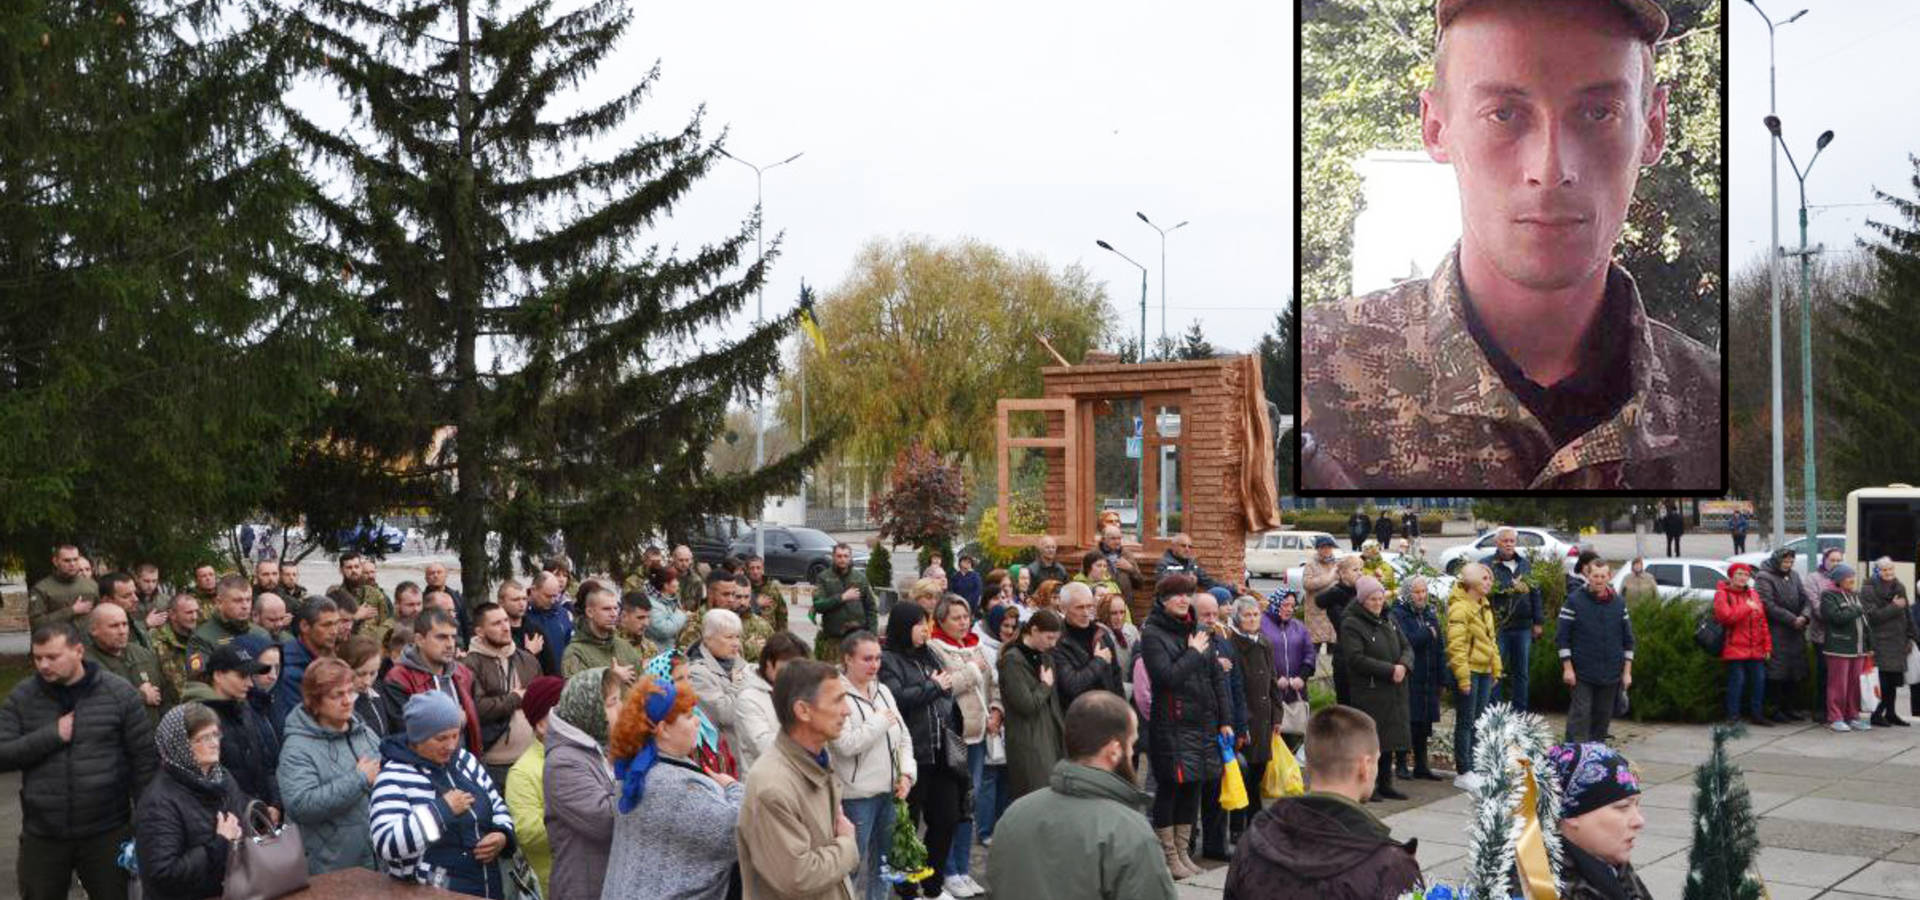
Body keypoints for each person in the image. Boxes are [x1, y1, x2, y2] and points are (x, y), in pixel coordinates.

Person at [1300, 0, 1715, 491]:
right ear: (1436, 127)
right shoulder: (1313, 373)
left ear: (1654, 127)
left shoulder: (1715, 404)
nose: (1551, 168)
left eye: (1599, 112)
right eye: (1503, 113)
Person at [0, 622, 157, 900]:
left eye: (52, 657)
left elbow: (144, 761)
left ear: (78, 651)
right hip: (44, 833)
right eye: (37, 658)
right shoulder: (23, 697)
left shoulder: (118, 693)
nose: (44, 665)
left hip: (107, 830)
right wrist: (52, 735)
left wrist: (144, 821)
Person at [986, 691, 1177, 900]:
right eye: (1131, 744)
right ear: (1114, 750)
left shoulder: (1014, 815)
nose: (1132, 754)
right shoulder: (1129, 832)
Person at [1223, 705, 1423, 898]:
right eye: (1377, 760)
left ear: (1308, 763)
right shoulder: (1389, 865)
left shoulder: (1255, 840)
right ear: (1365, 765)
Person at [602, 676, 746, 900]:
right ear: (663, 729)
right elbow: (739, 831)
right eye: (689, 717)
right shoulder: (676, 787)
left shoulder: (633, 771)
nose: (697, 722)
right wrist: (733, 788)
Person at [736, 659, 862, 900]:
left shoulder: (818, 761)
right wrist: (847, 844)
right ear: (803, 710)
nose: (847, 710)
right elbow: (797, 876)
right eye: (837, 700)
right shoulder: (772, 786)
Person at [372, 692, 517, 897]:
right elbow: (387, 844)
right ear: (417, 737)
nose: (451, 745)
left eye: (455, 735)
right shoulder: (394, 776)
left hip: (487, 887)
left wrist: (502, 835)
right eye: (441, 738)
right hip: (429, 892)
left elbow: (498, 806)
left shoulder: (466, 761)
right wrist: (441, 811)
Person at [1139, 573, 1229, 880]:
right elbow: (1166, 678)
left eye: (1186, 593)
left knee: (1194, 787)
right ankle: (1168, 857)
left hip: (1201, 724)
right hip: (1172, 725)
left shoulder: (1199, 630)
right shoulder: (1152, 633)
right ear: (1163, 600)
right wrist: (1193, 652)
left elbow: (1215, 677)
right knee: (1171, 789)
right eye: (1175, 594)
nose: (1182, 599)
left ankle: (1182, 853)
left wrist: (1224, 720)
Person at [880, 603, 970, 900]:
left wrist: (939, 688)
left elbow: (947, 687)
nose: (925, 629)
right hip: (913, 756)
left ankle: (932, 885)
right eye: (919, 624)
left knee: (946, 820)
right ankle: (906, 888)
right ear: (903, 626)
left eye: (926, 622)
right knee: (906, 826)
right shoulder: (889, 660)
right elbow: (896, 698)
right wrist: (932, 687)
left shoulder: (930, 653)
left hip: (942, 753)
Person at [133, 702, 253, 900]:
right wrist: (221, 843)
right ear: (180, 743)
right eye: (204, 737)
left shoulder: (223, 778)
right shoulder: (159, 802)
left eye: (216, 734)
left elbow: (238, 827)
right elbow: (163, 874)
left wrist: (241, 835)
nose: (215, 743)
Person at [276, 657, 382, 874]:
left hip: (376, 859)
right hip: (331, 867)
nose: (348, 701)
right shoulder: (297, 748)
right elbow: (300, 805)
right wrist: (359, 779)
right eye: (337, 695)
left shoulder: (364, 732)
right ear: (314, 702)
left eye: (350, 692)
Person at [833, 631, 913, 900]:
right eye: (867, 658)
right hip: (857, 797)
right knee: (850, 868)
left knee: (885, 865)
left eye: (878, 658)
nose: (875, 665)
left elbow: (903, 737)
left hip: (890, 792)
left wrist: (906, 774)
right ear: (848, 659)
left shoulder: (884, 691)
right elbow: (844, 745)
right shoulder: (836, 694)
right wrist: (879, 722)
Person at [926, 598, 997, 895]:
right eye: (955, 617)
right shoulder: (935, 649)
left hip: (981, 735)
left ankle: (964, 869)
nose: (963, 622)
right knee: (953, 806)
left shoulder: (975, 644)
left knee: (971, 803)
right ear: (941, 621)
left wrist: (996, 710)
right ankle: (949, 870)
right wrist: (972, 669)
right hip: (955, 739)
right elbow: (946, 685)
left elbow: (992, 682)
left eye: (966, 616)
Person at [545, 668, 624, 900]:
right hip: (584, 888)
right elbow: (606, 821)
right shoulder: (563, 763)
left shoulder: (600, 747)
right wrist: (642, 779)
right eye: (612, 703)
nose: (621, 709)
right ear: (591, 710)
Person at [181, 644, 283, 817]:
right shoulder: (197, 719)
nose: (250, 683)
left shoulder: (244, 709)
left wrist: (275, 803)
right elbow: (206, 781)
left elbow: (266, 764)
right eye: (242, 676)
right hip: (227, 822)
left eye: (250, 676)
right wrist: (254, 809)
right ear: (219, 675)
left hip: (260, 817)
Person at [1545, 741, 1652, 898]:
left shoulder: (1611, 867)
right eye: (1623, 807)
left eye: (1637, 805)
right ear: (1571, 814)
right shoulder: (1543, 887)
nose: (1639, 821)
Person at [1339, 576, 1411, 802]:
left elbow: (1407, 646)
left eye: (1380, 598)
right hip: (1370, 689)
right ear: (1362, 600)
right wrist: (1389, 670)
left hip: (1395, 688)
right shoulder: (1351, 623)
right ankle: (1368, 785)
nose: (1378, 603)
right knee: (1372, 741)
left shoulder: (1389, 618)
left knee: (1390, 738)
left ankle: (1386, 783)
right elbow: (1355, 658)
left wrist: (1404, 665)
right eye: (1372, 599)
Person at [378, 609, 485, 756]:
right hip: (423, 768)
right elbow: (404, 733)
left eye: (453, 637)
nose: (450, 644)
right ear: (419, 640)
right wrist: (452, 720)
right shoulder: (399, 679)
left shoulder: (463, 674)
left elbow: (475, 729)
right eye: (441, 637)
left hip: (464, 763)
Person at [1554, 557, 1636, 743]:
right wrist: (1568, 668)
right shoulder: (1573, 601)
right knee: (1580, 716)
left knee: (1602, 718)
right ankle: (1573, 756)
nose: (1599, 580)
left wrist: (1627, 672)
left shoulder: (1619, 603)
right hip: (1581, 672)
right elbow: (1562, 637)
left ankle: (1597, 758)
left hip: (1611, 673)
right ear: (1588, 576)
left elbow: (1628, 640)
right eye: (1595, 575)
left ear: (1609, 576)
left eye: (1602, 576)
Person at [469, 601, 545, 785]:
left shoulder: (527, 660)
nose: (505, 627)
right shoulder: (470, 664)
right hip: (494, 764)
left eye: (505, 621)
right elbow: (477, 709)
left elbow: (544, 704)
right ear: (480, 631)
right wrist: (515, 698)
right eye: (496, 623)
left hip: (532, 758)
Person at [506, 676, 566, 896]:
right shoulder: (523, 772)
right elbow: (528, 833)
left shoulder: (586, 755)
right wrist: (573, 816)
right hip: (554, 884)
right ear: (541, 725)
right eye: (563, 711)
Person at [1446, 562, 1502, 789]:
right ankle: (1464, 769)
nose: (1489, 582)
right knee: (1466, 721)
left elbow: (1491, 641)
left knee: (1479, 721)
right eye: (1485, 578)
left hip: (1484, 671)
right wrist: (1463, 677)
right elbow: (1456, 645)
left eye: (1490, 578)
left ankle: (1476, 766)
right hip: (1469, 670)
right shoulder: (1460, 608)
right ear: (1472, 581)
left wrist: (1495, 668)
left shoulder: (1485, 606)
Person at [1227, 596, 1279, 838]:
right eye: (1247, 615)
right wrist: (1241, 721)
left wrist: (1277, 715)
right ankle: (1239, 827)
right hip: (1246, 721)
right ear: (1238, 618)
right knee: (1243, 774)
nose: (1252, 619)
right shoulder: (1234, 644)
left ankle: (1255, 822)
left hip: (1265, 719)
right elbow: (1234, 688)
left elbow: (1272, 681)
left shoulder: (1265, 643)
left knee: (1258, 773)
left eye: (1256, 614)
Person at [1389, 578, 1447, 780]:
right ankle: (1402, 763)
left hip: (1429, 676)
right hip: (1411, 675)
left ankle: (1422, 765)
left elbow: (1439, 646)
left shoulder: (1429, 613)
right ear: (1407, 594)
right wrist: (1426, 633)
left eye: (1424, 591)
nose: (1421, 596)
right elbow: (1406, 642)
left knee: (1424, 722)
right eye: (1416, 592)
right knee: (1408, 721)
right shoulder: (1398, 614)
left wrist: (1442, 677)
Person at [1482, 528, 1543, 711]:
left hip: (1523, 626)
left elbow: (1535, 592)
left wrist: (1538, 621)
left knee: (1521, 673)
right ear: (1497, 543)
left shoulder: (1525, 564)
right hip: (1498, 626)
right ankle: (1496, 713)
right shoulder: (1487, 565)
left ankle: (1520, 714)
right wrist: (1510, 588)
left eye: (1512, 541)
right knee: (1496, 671)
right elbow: (1481, 591)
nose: (1509, 544)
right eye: (1505, 541)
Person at [1708, 561, 1773, 729]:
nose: (1743, 578)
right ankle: (1733, 716)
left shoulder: (1753, 594)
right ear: (1731, 576)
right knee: (1737, 682)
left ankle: (1757, 714)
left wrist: (1767, 646)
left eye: (1745, 575)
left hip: (1756, 648)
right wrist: (1746, 607)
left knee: (1759, 681)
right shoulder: (1722, 594)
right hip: (1735, 647)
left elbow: (1763, 622)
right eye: (1739, 574)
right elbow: (1726, 617)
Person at [737, 632, 812, 774]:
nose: (794, 674)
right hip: (765, 783)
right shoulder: (749, 699)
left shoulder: (798, 690)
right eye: (787, 668)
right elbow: (763, 746)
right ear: (769, 664)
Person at [87, 604, 168, 727]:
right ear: (94, 630)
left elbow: (165, 696)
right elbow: (96, 705)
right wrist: (140, 696)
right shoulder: (84, 663)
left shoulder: (143, 654)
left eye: (125, 624)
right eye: (114, 626)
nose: (122, 631)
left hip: (153, 735)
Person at [1754, 549, 1811, 723]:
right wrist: (1792, 619)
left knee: (1794, 671)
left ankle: (1789, 707)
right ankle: (1774, 708)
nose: (1788, 565)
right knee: (1777, 672)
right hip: (1777, 631)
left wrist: (1805, 616)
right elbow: (1767, 605)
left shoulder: (1793, 575)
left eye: (1790, 562)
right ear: (1777, 561)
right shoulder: (1764, 577)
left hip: (1795, 632)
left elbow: (1805, 599)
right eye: (1785, 562)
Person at [1053, 581, 1123, 715]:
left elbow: (1116, 678)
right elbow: (1072, 685)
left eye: (1089, 606)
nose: (1086, 613)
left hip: (1108, 713)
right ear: (1063, 608)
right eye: (1079, 607)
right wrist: (1099, 661)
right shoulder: (1058, 642)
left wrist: (1122, 713)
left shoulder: (1101, 634)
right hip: (1078, 718)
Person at [1259, 589, 1316, 754]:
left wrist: (1302, 677)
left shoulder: (1299, 627)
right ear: (1276, 604)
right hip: (1270, 691)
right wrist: (1273, 680)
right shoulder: (1261, 625)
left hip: (1295, 691)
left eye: (1292, 605)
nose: (1290, 609)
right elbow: (1259, 657)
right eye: (1285, 604)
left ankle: (1290, 771)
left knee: (1294, 735)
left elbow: (1310, 653)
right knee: (1273, 737)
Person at [1862, 558, 1916, 728]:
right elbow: (1872, 617)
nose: (1889, 573)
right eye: (1885, 570)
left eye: (1891, 570)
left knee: (1894, 681)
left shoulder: (1899, 587)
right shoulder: (1868, 589)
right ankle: (1877, 714)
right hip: (1880, 641)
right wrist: (1893, 606)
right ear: (1877, 571)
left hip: (1898, 641)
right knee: (1883, 682)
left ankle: (1891, 713)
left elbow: (1907, 613)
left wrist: (1912, 636)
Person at [688, 608, 749, 758]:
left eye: (737, 637)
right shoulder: (697, 672)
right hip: (720, 756)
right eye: (729, 637)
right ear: (708, 638)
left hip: (744, 753)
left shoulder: (739, 664)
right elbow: (725, 714)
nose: (736, 643)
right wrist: (739, 684)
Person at [1819, 564, 1873, 732]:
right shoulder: (1829, 596)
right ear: (1839, 579)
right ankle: (1835, 717)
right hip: (1839, 648)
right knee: (1838, 685)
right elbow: (1836, 617)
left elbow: (1864, 623)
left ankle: (1853, 716)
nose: (1852, 580)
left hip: (1858, 649)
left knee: (1854, 684)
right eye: (1848, 577)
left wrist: (1869, 645)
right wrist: (1856, 609)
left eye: (1852, 576)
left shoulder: (1854, 595)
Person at [813, 543, 878, 662]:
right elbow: (818, 605)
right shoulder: (824, 578)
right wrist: (842, 598)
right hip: (834, 640)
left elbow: (871, 608)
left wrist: (872, 636)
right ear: (833, 557)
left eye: (845, 556)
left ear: (850, 557)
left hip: (857, 638)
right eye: (839, 556)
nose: (842, 559)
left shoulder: (860, 578)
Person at [562, 584, 644, 677]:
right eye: (606, 609)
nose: (613, 614)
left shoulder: (625, 647)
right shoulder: (575, 653)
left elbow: (641, 684)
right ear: (590, 612)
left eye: (616, 608)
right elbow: (574, 689)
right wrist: (610, 678)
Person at [1804, 547, 1846, 724]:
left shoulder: (1844, 578)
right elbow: (1817, 607)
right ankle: (1820, 710)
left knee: (1839, 677)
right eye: (1832, 560)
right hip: (1822, 636)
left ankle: (1836, 710)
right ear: (1825, 560)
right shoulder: (1814, 579)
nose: (1835, 563)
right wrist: (1839, 614)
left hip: (1842, 636)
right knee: (1823, 675)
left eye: (1839, 560)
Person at [1316, 555, 1364, 705]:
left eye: (1361, 569)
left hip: (1364, 653)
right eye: (1355, 569)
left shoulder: (1361, 592)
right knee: (1347, 704)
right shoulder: (1336, 596)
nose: (1360, 573)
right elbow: (1345, 624)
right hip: (1345, 655)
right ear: (1343, 574)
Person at [189, 575, 270, 665]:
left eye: (248, 600)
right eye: (238, 601)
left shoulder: (260, 633)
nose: (245, 606)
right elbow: (200, 676)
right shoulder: (202, 638)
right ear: (219, 602)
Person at [27, 544, 100, 631]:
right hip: (57, 640)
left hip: (88, 641)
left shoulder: (91, 585)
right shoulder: (42, 589)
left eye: (75, 560)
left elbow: (102, 615)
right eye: (67, 561)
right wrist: (72, 611)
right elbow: (37, 623)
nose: (72, 564)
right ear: (55, 561)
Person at [1159, 533, 1236, 604]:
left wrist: (1233, 589)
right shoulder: (1165, 563)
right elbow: (1165, 586)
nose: (1187, 549)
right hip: (1169, 605)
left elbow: (1209, 582)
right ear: (1173, 546)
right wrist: (1187, 581)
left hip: (1188, 603)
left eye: (1189, 546)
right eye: (1183, 546)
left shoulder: (1192, 564)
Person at [341, 635, 394, 737]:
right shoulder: (341, 705)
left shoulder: (378, 693)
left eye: (373, 673)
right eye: (360, 674)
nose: (367, 682)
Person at [525, 571, 574, 675]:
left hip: (561, 679)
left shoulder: (564, 614)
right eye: (548, 596)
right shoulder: (522, 615)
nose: (552, 601)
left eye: (555, 596)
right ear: (533, 590)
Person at [643, 565, 690, 649]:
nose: (678, 583)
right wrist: (682, 615)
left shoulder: (670, 599)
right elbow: (665, 630)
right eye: (675, 580)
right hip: (658, 652)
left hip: (669, 649)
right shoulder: (652, 605)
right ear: (666, 585)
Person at [618, 591, 663, 660]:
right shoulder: (610, 645)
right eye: (640, 618)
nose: (646, 623)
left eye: (648, 617)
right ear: (624, 616)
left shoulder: (650, 648)